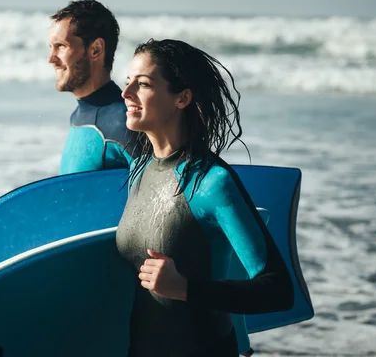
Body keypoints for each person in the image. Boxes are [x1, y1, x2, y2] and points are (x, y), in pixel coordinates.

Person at [115, 38, 294, 356]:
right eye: (128, 82)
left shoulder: (212, 183)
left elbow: (278, 290)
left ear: (182, 97)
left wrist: (184, 288)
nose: (126, 94)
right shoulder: (139, 171)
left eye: (142, 84)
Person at [47, 0, 138, 174]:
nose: (51, 59)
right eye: (51, 47)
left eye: (61, 47)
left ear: (96, 49)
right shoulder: (78, 116)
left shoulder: (124, 121)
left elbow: (167, 191)